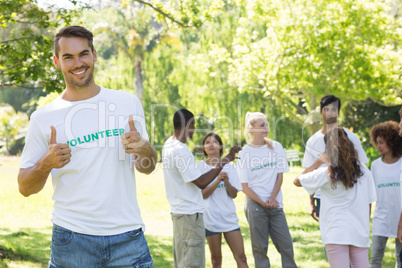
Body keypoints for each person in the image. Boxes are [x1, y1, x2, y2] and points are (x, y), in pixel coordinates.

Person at [18, 26, 158, 268]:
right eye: (68, 57)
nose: (77, 63)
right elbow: (24, 188)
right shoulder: (43, 117)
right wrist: (45, 164)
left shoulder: (127, 103)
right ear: (56, 61)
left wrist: (145, 150)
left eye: (83, 54)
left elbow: (147, 167)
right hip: (72, 240)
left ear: (94, 55)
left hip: (128, 237)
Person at [161, 109, 241, 268]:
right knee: (192, 263)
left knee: (182, 262)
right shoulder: (180, 150)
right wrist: (224, 161)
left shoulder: (168, 144)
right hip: (189, 216)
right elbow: (201, 182)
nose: (194, 129)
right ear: (188, 125)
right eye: (193, 125)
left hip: (180, 214)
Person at [294, 126, 376, 268]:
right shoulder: (364, 171)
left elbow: (297, 181)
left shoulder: (326, 173)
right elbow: (369, 203)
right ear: (349, 145)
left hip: (335, 234)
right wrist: (363, 225)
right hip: (359, 232)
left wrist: (318, 161)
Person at [236, 112, 297, 268]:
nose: (267, 128)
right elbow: (245, 187)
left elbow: (279, 177)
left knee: (286, 245)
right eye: (262, 125)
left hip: (275, 204)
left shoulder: (276, 147)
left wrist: (272, 199)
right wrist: (263, 202)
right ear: (251, 128)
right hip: (255, 205)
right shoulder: (244, 153)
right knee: (260, 248)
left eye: (267, 124)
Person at [302, 95, 368, 221]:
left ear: (338, 112)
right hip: (322, 197)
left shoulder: (352, 137)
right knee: (328, 235)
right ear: (321, 111)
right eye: (326, 109)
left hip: (348, 195)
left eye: (334, 109)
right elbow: (308, 174)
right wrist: (311, 203)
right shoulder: (313, 141)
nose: (330, 113)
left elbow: (362, 169)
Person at [198, 132, 248, 268]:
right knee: (216, 260)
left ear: (220, 147)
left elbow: (233, 194)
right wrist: (217, 181)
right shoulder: (199, 167)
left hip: (229, 218)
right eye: (207, 142)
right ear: (204, 148)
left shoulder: (230, 166)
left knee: (241, 257)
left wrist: (226, 182)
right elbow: (202, 195)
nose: (211, 144)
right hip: (210, 219)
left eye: (214, 142)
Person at [369, 121, 402, 268]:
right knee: (375, 258)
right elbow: (370, 194)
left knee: (399, 259)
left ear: (392, 141)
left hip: (400, 219)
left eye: (382, 142)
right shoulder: (375, 165)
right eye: (377, 142)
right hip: (381, 219)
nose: (379, 146)